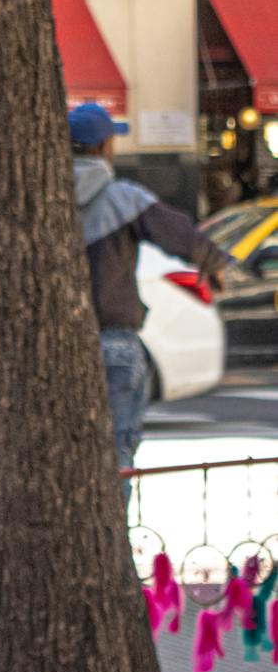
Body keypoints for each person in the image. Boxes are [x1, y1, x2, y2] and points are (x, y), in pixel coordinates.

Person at [70, 102, 229, 488]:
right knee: (118, 456)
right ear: (105, 147)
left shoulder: (41, 200)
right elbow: (180, 235)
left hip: (60, 347)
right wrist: (215, 264)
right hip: (115, 341)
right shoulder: (123, 198)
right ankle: (108, 543)